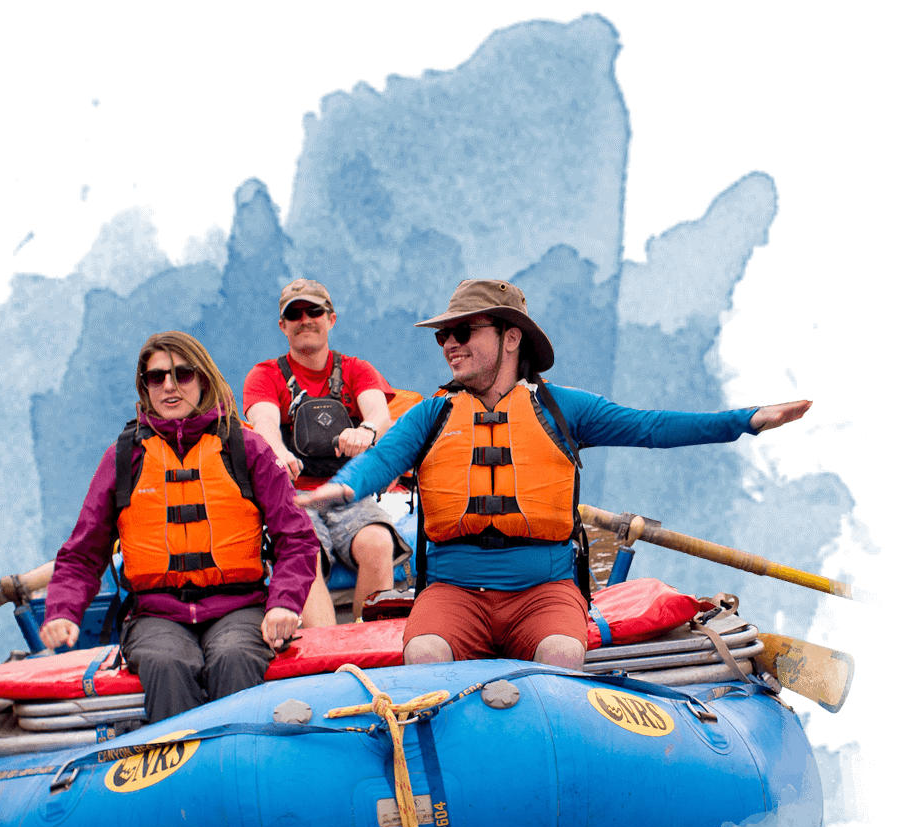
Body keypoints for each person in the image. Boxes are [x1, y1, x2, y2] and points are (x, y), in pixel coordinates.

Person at [296, 278, 812, 669]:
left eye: (461, 331)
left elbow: (651, 427)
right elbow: (378, 461)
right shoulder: (431, 416)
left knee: (564, 652)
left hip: (544, 590)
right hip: (452, 592)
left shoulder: (563, 408)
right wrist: (336, 491)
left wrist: (746, 420)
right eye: (442, 336)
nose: (448, 343)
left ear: (511, 337)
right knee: (426, 653)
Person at [40, 331, 319, 724]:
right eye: (157, 377)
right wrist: (63, 613)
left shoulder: (246, 447)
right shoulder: (124, 457)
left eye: (182, 374)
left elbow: (297, 540)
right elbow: (84, 552)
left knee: (235, 657)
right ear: (145, 386)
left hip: (239, 607)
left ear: (203, 379)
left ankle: (240, 772)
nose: (169, 386)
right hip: (156, 615)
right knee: (167, 663)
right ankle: (181, 777)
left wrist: (285, 603)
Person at [243, 278, 417, 623]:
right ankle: (326, 651)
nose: (305, 319)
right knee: (302, 551)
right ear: (283, 325)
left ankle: (365, 642)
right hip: (294, 498)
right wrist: (280, 451)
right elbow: (263, 424)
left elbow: (379, 413)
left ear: (331, 319)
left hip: (347, 494)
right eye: (295, 314)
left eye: (314, 311)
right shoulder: (264, 375)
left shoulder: (356, 369)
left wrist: (365, 431)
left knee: (378, 543)